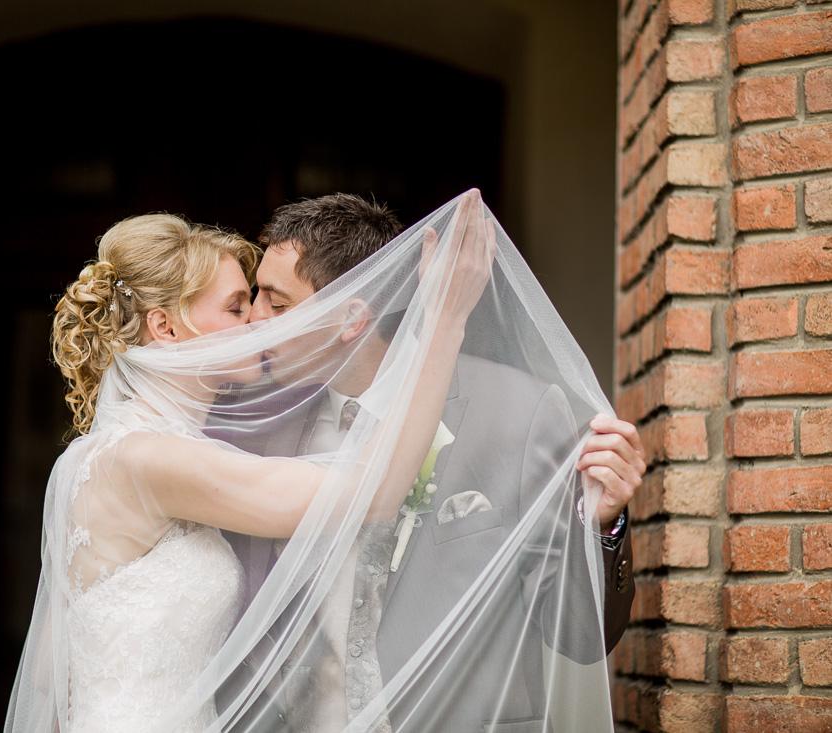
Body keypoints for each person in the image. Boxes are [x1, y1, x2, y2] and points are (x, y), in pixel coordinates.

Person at [5, 195, 497, 732]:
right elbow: (371, 492)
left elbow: (53, 671)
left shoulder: (123, 450)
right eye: (238, 307)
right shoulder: (148, 458)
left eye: (264, 302)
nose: (260, 321)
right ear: (167, 328)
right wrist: (445, 321)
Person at [215, 193, 643, 731]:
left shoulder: (518, 412)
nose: (254, 319)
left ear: (350, 318)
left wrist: (603, 527)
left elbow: (582, 636)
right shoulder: (261, 432)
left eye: (277, 305)